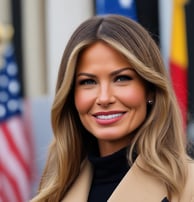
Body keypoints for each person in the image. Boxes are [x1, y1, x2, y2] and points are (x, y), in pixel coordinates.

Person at [31, 14, 194, 202]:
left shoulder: (188, 187)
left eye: (121, 78)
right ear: (70, 96)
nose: (104, 98)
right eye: (88, 81)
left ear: (150, 90)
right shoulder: (53, 194)